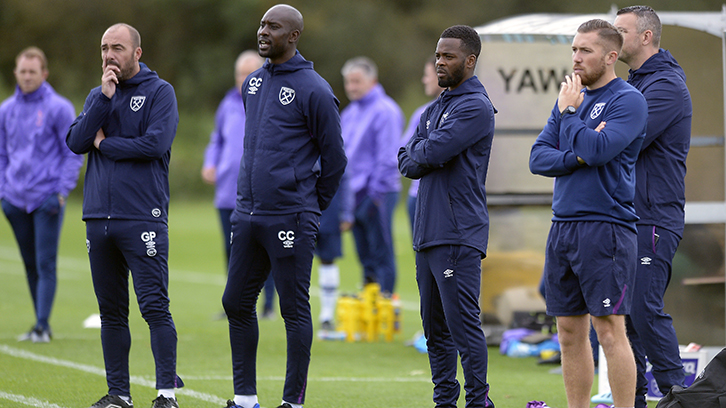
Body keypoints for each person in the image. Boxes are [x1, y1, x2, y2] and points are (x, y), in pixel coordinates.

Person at [221, 5, 347, 408]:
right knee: (236, 302)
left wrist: (309, 204)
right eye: (261, 24)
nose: (262, 32)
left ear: (293, 36)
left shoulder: (315, 89)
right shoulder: (252, 84)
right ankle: (244, 399)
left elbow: (335, 159)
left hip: (291, 215)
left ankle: (292, 401)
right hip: (247, 213)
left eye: (272, 26)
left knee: (294, 309)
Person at [529, 19, 648, 408]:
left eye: (586, 51)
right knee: (567, 331)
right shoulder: (569, 97)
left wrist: (570, 118)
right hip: (562, 226)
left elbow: (599, 151)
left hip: (606, 229)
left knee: (610, 329)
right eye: (574, 50)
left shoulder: (627, 100)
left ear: (611, 56)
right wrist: (576, 151)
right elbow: (538, 158)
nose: (577, 58)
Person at [66, 23, 184, 408]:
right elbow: (76, 142)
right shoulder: (98, 94)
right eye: (103, 47)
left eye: (117, 47)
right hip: (98, 218)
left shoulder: (160, 92)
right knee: (111, 312)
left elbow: (154, 144)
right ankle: (119, 394)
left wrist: (106, 144)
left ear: (137, 52)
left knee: (154, 307)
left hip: (142, 217)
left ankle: (166, 393)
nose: (108, 54)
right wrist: (103, 99)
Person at [398, 25, 497, 408]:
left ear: (469, 61)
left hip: (457, 232)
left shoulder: (475, 106)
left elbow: (428, 153)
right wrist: (420, 150)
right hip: (427, 231)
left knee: (462, 325)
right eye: (438, 55)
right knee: (434, 329)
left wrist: (421, 150)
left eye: (448, 56)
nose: (440, 62)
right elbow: (407, 158)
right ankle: (444, 401)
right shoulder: (434, 107)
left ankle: (478, 401)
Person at [614, 6, 691, 407]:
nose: (613, 39)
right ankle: (635, 399)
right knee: (621, 316)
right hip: (628, 218)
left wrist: (595, 132)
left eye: (620, 31)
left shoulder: (665, 86)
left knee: (643, 309)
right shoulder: (635, 84)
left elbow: (623, 141)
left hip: (654, 216)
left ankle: (681, 396)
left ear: (646, 37)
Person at [0, 46, 83, 343]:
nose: (27, 77)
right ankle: (38, 323)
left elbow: (72, 152)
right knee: (29, 263)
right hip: (14, 200)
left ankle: (42, 325)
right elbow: (1, 154)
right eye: (22, 71)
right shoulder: (6, 110)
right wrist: (3, 193)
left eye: (32, 71)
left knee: (45, 262)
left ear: (44, 74)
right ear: (16, 73)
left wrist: (61, 192)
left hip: (46, 199)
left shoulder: (59, 107)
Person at [201, 50, 272, 320]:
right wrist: (210, 163)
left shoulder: (269, 102)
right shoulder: (227, 104)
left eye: (248, 73)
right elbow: (216, 139)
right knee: (231, 250)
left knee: (265, 250)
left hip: (259, 192)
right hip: (227, 192)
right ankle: (235, 303)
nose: (243, 79)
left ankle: (266, 306)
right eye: (240, 74)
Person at [340, 56, 403, 295]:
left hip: (378, 192)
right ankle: (369, 302)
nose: (352, 87)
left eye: (357, 81)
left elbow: (388, 158)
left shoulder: (385, 110)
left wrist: (375, 196)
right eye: (348, 82)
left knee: (381, 252)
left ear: (372, 81)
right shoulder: (349, 112)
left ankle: (385, 303)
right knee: (364, 255)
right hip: (352, 194)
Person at [401, 56, 444, 231]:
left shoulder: (461, 112)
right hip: (417, 195)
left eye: (427, 75)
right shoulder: (423, 113)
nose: (424, 80)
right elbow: (403, 150)